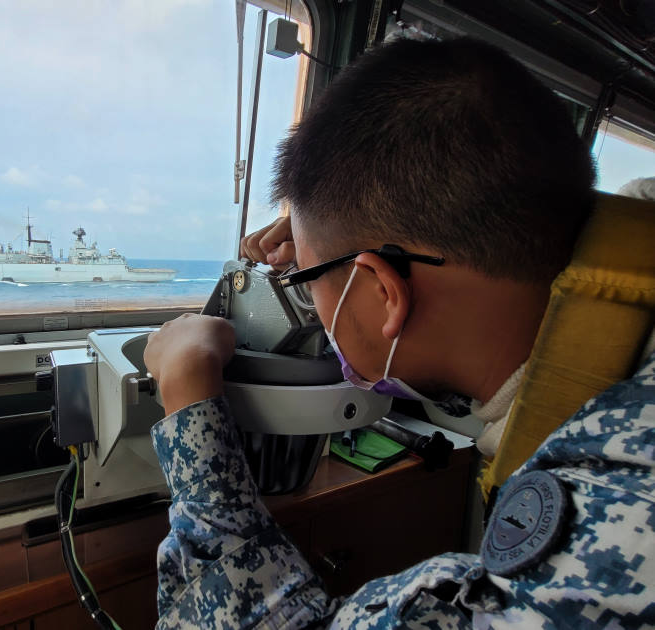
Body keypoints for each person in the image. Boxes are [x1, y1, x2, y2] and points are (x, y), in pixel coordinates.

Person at [143, 37, 655, 628]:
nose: (303, 295)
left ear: (384, 291)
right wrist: (332, 241)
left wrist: (188, 402)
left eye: (307, 282)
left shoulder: (614, 513)